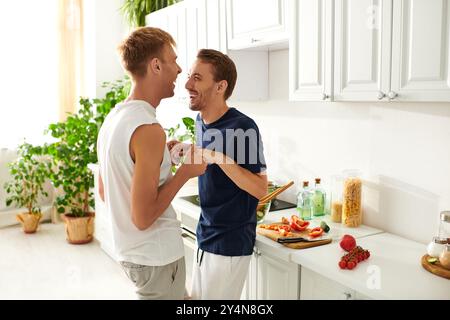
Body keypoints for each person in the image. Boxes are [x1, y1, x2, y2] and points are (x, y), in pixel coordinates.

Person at [96, 27, 207, 300]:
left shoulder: (114, 119)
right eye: (174, 60)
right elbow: (143, 217)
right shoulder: (148, 129)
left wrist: (161, 159)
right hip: (156, 256)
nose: (180, 70)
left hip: (134, 256)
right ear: (156, 65)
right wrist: (184, 173)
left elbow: (105, 190)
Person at [184, 49, 268, 299]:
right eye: (189, 75)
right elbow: (211, 168)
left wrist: (218, 158)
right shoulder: (202, 120)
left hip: (229, 244)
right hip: (206, 234)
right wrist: (188, 152)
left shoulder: (242, 126)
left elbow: (260, 189)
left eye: (197, 78)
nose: (187, 84)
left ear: (220, 86)